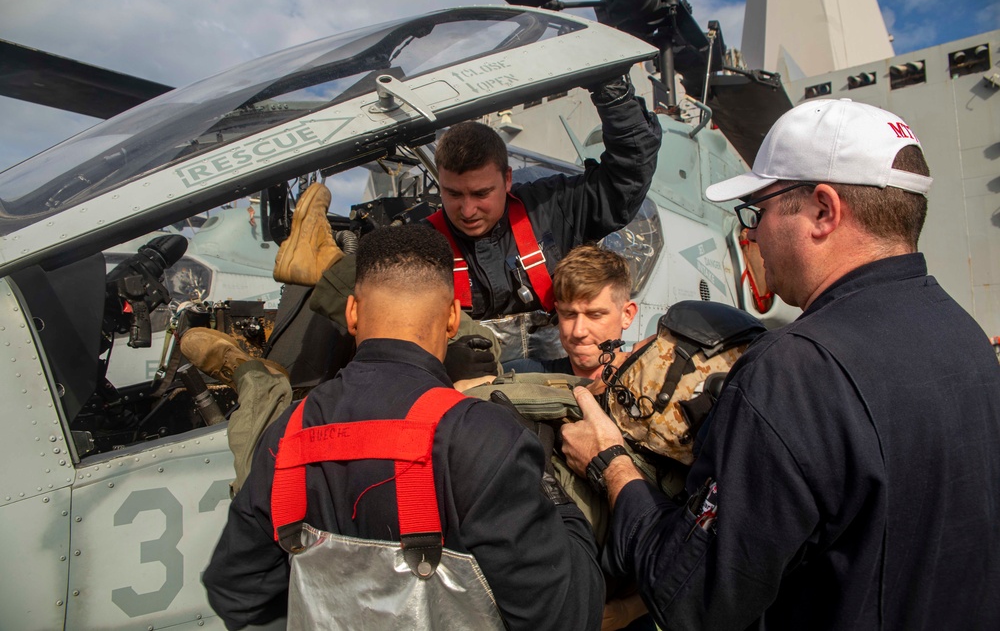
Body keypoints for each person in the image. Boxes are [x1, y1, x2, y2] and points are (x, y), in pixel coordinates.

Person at [560, 98, 1000, 629]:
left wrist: (611, 462)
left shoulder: (794, 372)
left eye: (759, 212)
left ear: (823, 210)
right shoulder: (966, 338)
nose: (754, 236)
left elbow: (694, 599)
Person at [203, 225, 604, 631]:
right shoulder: (485, 437)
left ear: (353, 312)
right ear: (452, 318)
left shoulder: (287, 435)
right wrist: (552, 491)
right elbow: (568, 616)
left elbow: (235, 592)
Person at [296, 74, 662, 362]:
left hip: (567, 377)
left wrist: (612, 92)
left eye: (481, 194)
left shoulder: (552, 206)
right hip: (475, 395)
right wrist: (335, 272)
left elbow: (626, 179)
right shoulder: (422, 245)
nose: (467, 211)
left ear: (506, 179)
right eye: (453, 194)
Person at [505, 244, 637, 378]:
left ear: (627, 315)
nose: (578, 331)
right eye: (569, 314)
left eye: (595, 315)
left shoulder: (652, 387)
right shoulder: (519, 377)